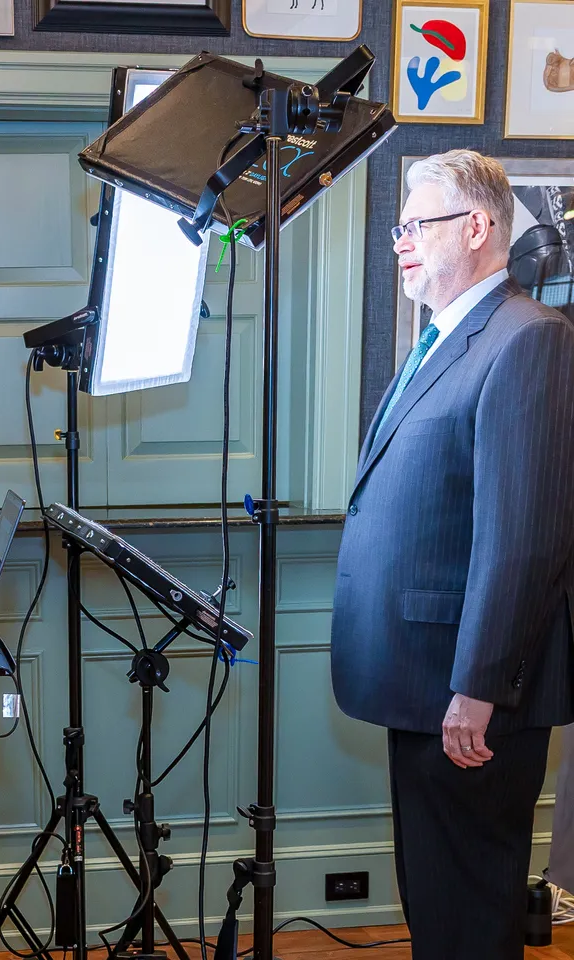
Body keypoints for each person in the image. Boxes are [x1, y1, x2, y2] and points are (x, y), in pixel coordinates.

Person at [330, 149, 574, 959]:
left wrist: (477, 689)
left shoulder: (529, 338)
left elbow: (525, 535)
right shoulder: (446, 335)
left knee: (468, 915)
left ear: (477, 227)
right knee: (438, 907)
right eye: (399, 225)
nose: (399, 240)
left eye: (416, 224)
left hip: (468, 694)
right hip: (421, 679)